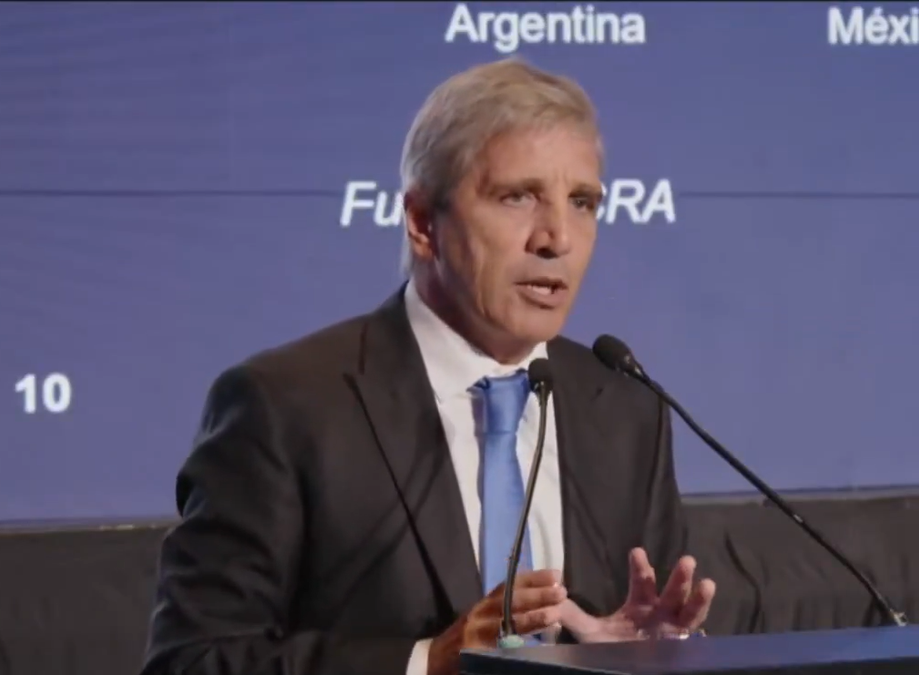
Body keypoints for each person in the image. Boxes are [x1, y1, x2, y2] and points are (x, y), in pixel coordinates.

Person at [141, 56, 716, 675]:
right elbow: (191, 661)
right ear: (421, 222)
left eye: (582, 202)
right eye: (518, 196)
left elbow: (651, 635)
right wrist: (428, 663)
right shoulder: (285, 407)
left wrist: (651, 655)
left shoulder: (626, 408)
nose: (558, 238)